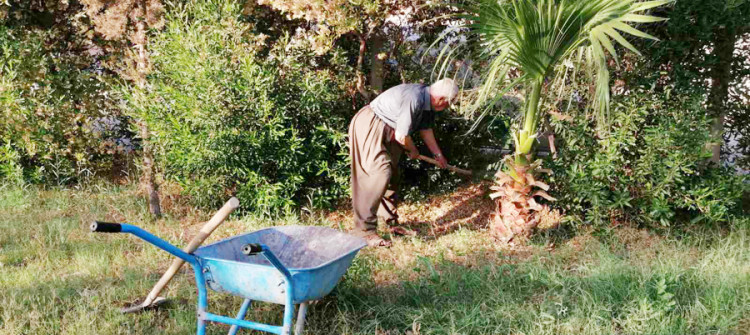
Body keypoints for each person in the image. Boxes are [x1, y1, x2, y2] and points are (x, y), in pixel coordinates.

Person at [348, 78, 459, 247]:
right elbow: (402, 136)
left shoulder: (428, 105)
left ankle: (391, 223)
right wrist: (413, 150)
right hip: (371, 122)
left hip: (390, 129)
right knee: (378, 173)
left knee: (392, 175)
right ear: (441, 100)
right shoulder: (414, 97)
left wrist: (438, 155)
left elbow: (425, 130)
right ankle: (364, 231)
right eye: (448, 103)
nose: (448, 107)